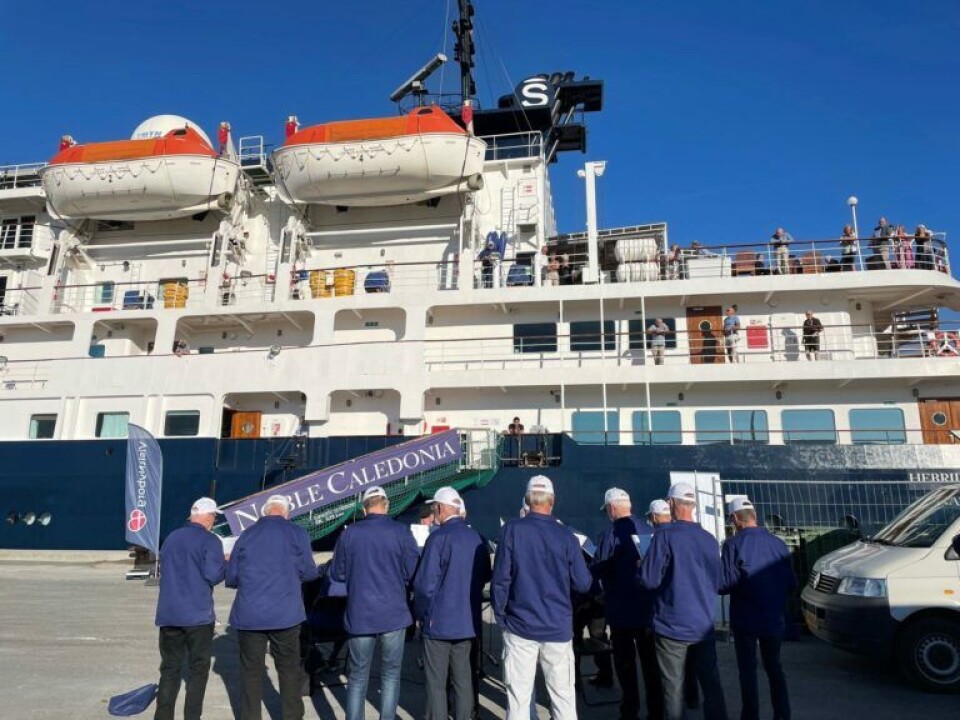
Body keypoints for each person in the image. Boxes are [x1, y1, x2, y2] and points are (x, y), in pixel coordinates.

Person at [492, 475, 594, 720]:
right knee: (563, 698)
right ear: (553, 501)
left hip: (520, 626)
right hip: (557, 628)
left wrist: (501, 616)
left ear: (527, 500)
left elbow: (501, 580)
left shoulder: (512, 530)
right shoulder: (567, 536)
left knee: (518, 699)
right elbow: (583, 583)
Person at [638, 483, 728, 720]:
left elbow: (649, 580)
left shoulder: (664, 537)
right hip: (703, 625)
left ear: (671, 504)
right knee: (711, 683)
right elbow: (718, 582)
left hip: (671, 625)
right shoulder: (709, 539)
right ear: (694, 505)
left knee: (673, 689)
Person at [226, 494, 319, 720]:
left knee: (250, 673)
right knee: (288, 671)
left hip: (249, 615)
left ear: (265, 512)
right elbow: (310, 573)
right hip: (285, 614)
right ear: (286, 513)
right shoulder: (297, 533)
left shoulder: (246, 535)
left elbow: (231, 577)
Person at [331, 486, 420, 720]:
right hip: (394, 613)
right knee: (390, 675)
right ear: (387, 505)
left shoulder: (349, 534)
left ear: (364, 507)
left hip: (360, 614)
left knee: (358, 676)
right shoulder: (401, 533)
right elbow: (413, 572)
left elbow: (338, 573)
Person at [413, 487, 492, 720]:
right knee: (463, 680)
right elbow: (486, 575)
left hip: (438, 624)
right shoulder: (477, 537)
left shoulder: (437, 538)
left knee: (436, 683)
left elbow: (424, 585)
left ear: (440, 508)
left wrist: (422, 615)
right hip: (467, 623)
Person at [720, 497, 796, 720]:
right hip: (773, 618)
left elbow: (724, 583)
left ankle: (750, 715)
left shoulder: (733, 545)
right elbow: (791, 582)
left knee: (748, 671)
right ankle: (783, 714)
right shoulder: (778, 543)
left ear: (735, 519)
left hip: (745, 620)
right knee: (774, 668)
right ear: (754, 515)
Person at [154, 497, 226, 720]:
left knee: (169, 669)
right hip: (197, 616)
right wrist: (225, 563)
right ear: (207, 517)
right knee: (197, 671)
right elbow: (213, 575)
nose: (214, 521)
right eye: (213, 516)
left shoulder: (172, 538)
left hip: (169, 614)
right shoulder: (210, 540)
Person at [593, 488, 661, 720]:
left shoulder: (608, 535)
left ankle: (630, 711)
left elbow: (599, 570)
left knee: (625, 665)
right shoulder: (650, 532)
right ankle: (656, 711)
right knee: (651, 664)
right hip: (647, 611)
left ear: (612, 508)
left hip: (620, 611)